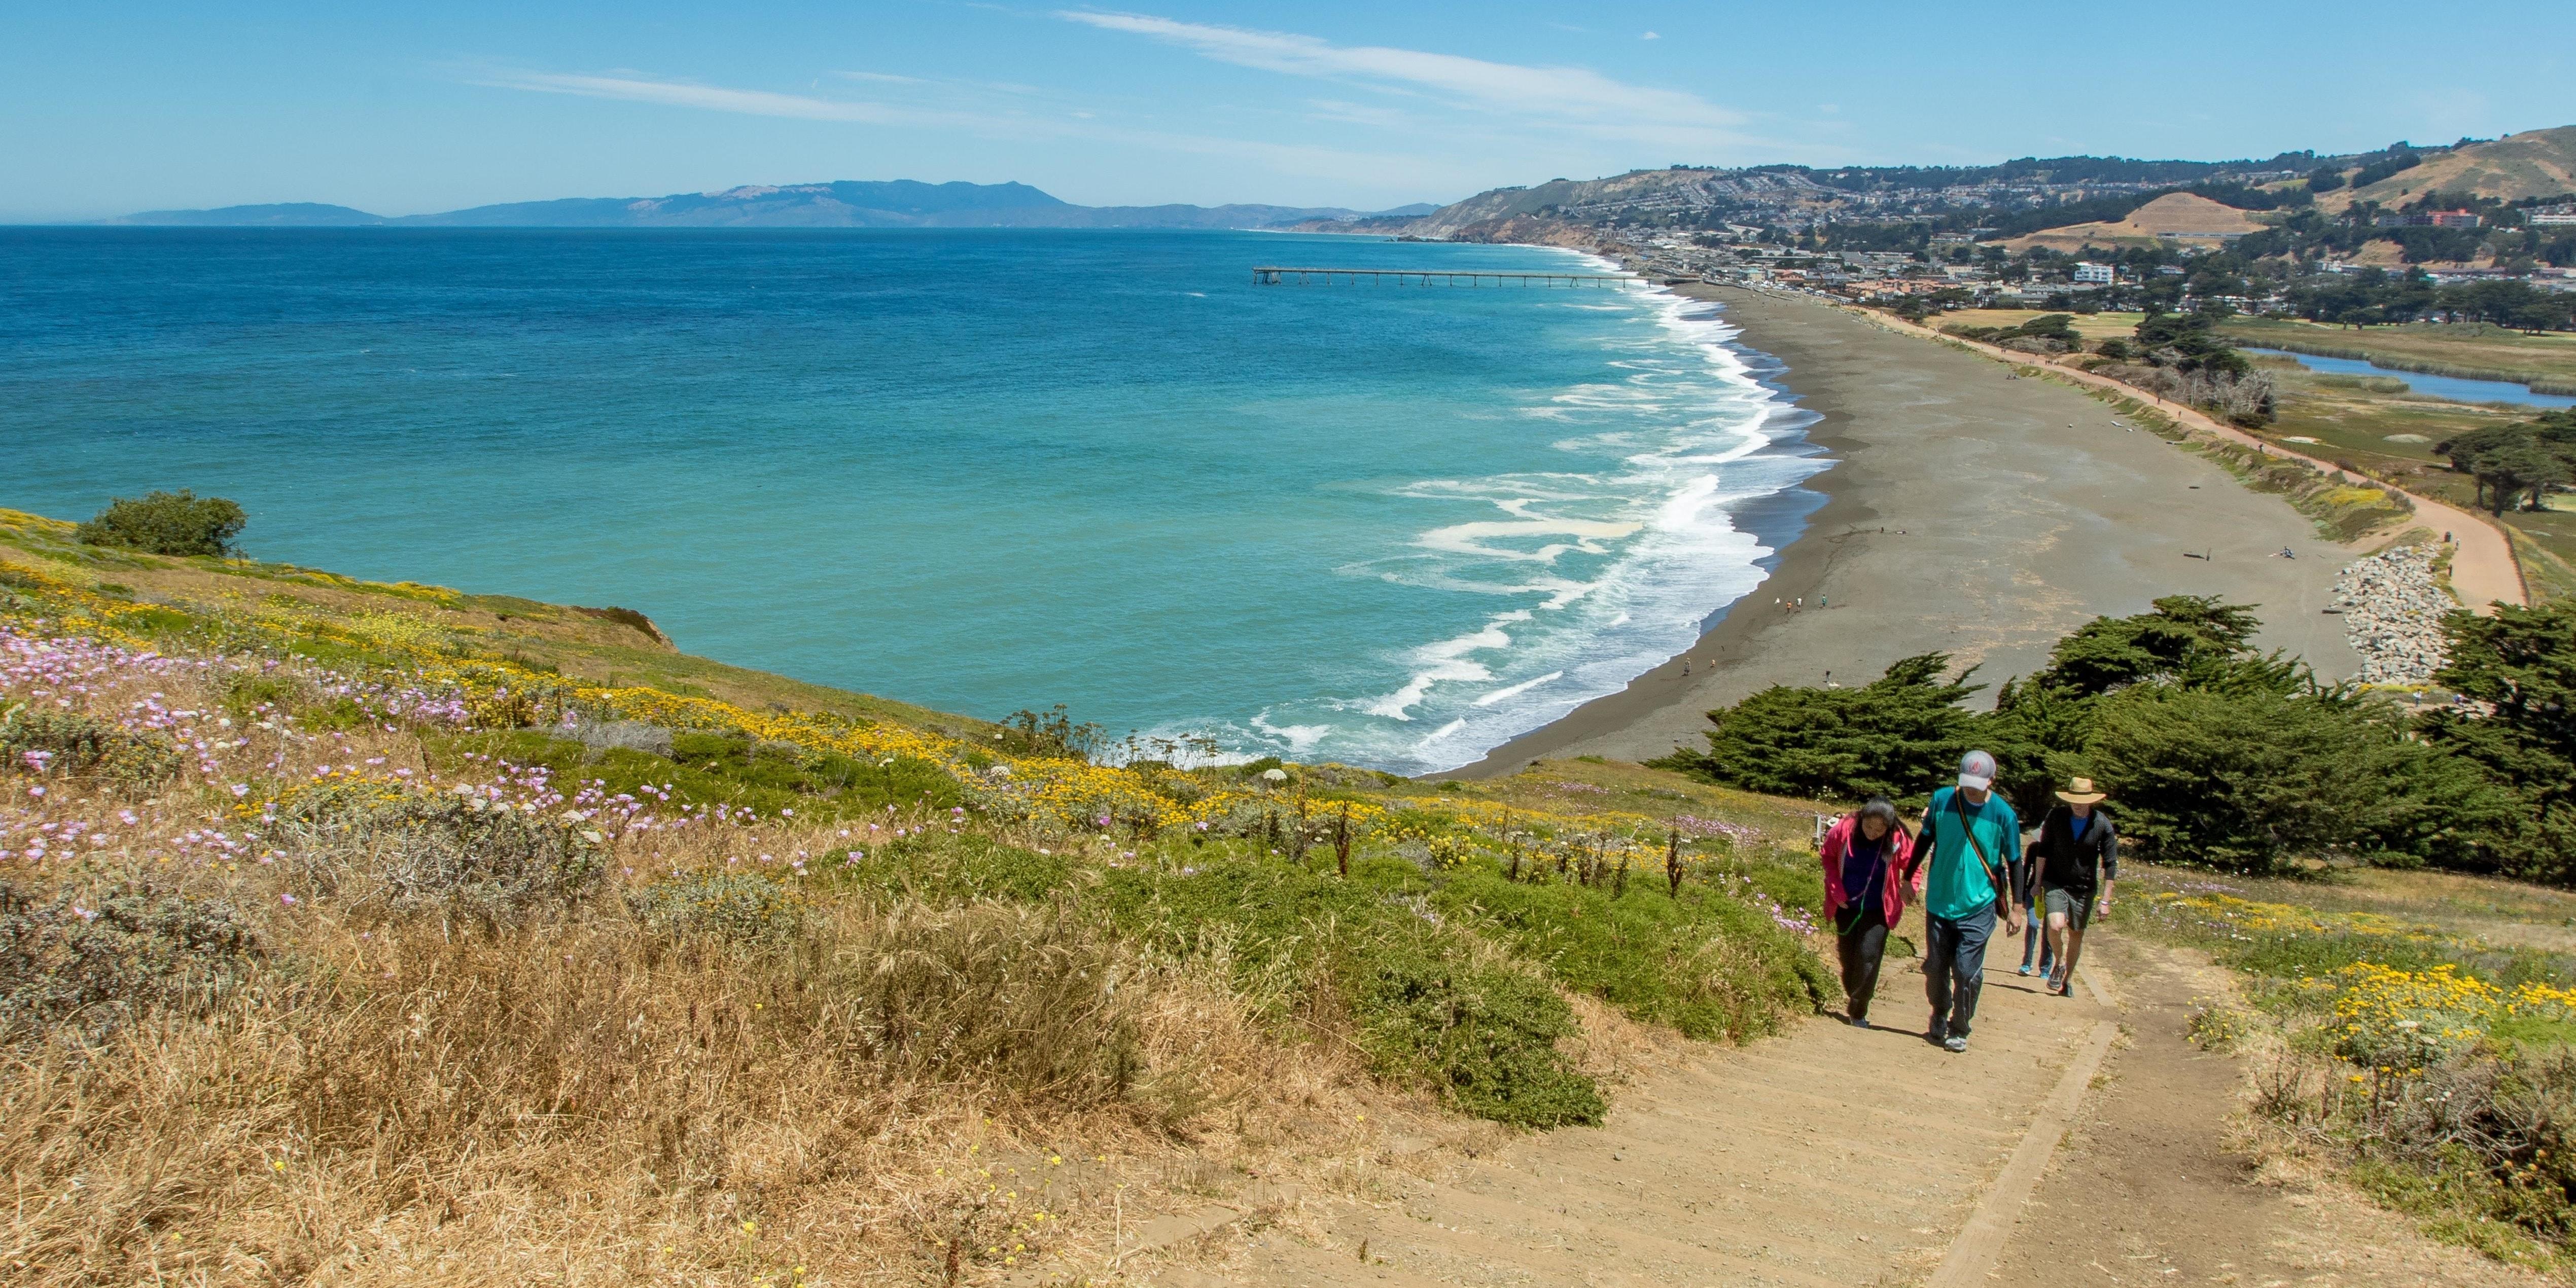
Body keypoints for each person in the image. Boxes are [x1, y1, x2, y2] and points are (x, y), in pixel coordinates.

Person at [1912, 749, 2023, 1052]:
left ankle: (1960, 1027)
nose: (1972, 789)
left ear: (1992, 780)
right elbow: (1925, 838)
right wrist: (1909, 875)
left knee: (1965, 970)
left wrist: (2017, 908)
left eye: (1979, 783)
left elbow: (2015, 862)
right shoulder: (1942, 800)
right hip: (1939, 902)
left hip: (1979, 904)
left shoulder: (2004, 815)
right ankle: (1939, 1011)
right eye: (1967, 782)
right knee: (1936, 966)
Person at [1818, 797, 1919, 1029]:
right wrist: (1836, 890)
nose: (1873, 833)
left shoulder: (1898, 839)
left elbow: (1912, 866)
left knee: (1868, 956)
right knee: (1848, 957)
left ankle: (1858, 1009)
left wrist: (1910, 887)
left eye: (1879, 829)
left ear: (1889, 827)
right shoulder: (1844, 830)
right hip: (1846, 905)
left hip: (1879, 909)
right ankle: (1855, 994)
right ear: (1861, 819)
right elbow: (1828, 857)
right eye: (1869, 827)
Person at [2023, 776, 2118, 997]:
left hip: (2085, 889)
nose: (2078, 804)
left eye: (2083, 800)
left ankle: (2068, 980)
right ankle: (2060, 960)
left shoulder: (2102, 824)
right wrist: (2037, 883)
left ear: (2092, 801)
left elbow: (2111, 864)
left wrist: (2106, 901)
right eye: (2074, 799)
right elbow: (2043, 851)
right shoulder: (2056, 817)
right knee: (2055, 926)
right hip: (2055, 882)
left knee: (2076, 933)